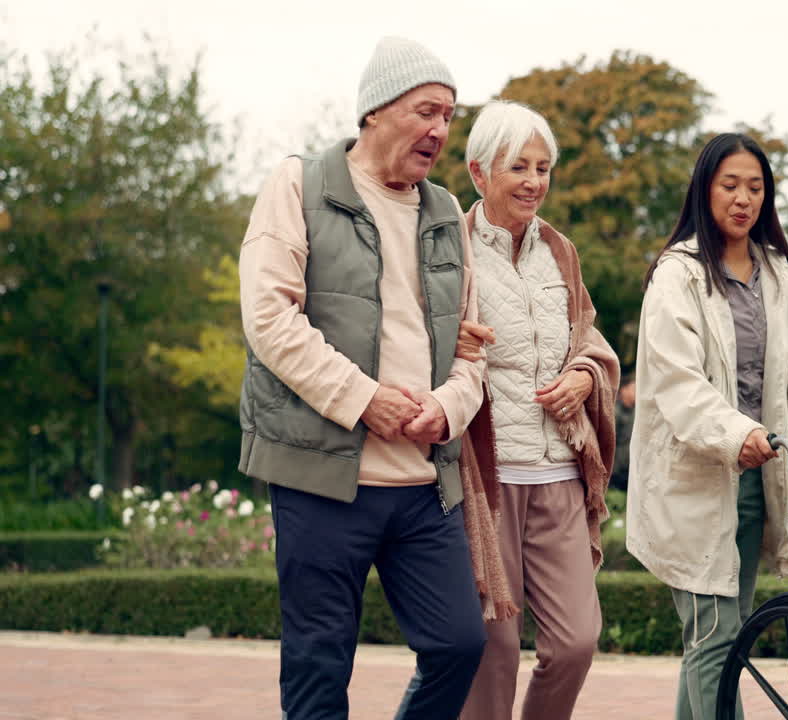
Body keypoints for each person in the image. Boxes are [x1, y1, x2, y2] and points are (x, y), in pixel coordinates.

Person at [238, 36, 496, 719]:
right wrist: (362, 399)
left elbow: (473, 348)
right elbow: (269, 318)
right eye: (426, 111)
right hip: (321, 477)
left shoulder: (446, 213)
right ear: (375, 111)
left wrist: (447, 409)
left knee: (459, 644)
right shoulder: (298, 184)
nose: (440, 130)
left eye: (449, 116)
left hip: (423, 485)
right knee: (319, 666)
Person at [625, 132, 788, 720]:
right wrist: (737, 435)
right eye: (730, 185)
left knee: (718, 634)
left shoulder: (779, 275)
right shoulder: (678, 274)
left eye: (756, 188)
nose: (744, 199)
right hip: (692, 482)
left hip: (756, 482)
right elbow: (677, 383)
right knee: (715, 639)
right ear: (705, 189)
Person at [454, 100, 620, 720]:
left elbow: (589, 339)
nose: (533, 182)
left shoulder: (560, 250)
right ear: (479, 173)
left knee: (576, 641)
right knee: (492, 650)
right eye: (518, 167)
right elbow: (417, 337)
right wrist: (450, 340)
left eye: (543, 168)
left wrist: (584, 376)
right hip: (486, 482)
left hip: (559, 476)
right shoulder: (450, 248)